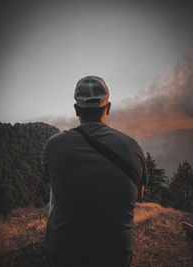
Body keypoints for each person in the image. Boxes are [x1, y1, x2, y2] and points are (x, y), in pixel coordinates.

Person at [43, 76, 148, 267]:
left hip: (64, 255)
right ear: (108, 108)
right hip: (116, 255)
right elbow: (138, 197)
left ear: (76, 110)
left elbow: (50, 183)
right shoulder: (133, 147)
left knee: (53, 190)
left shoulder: (53, 145)